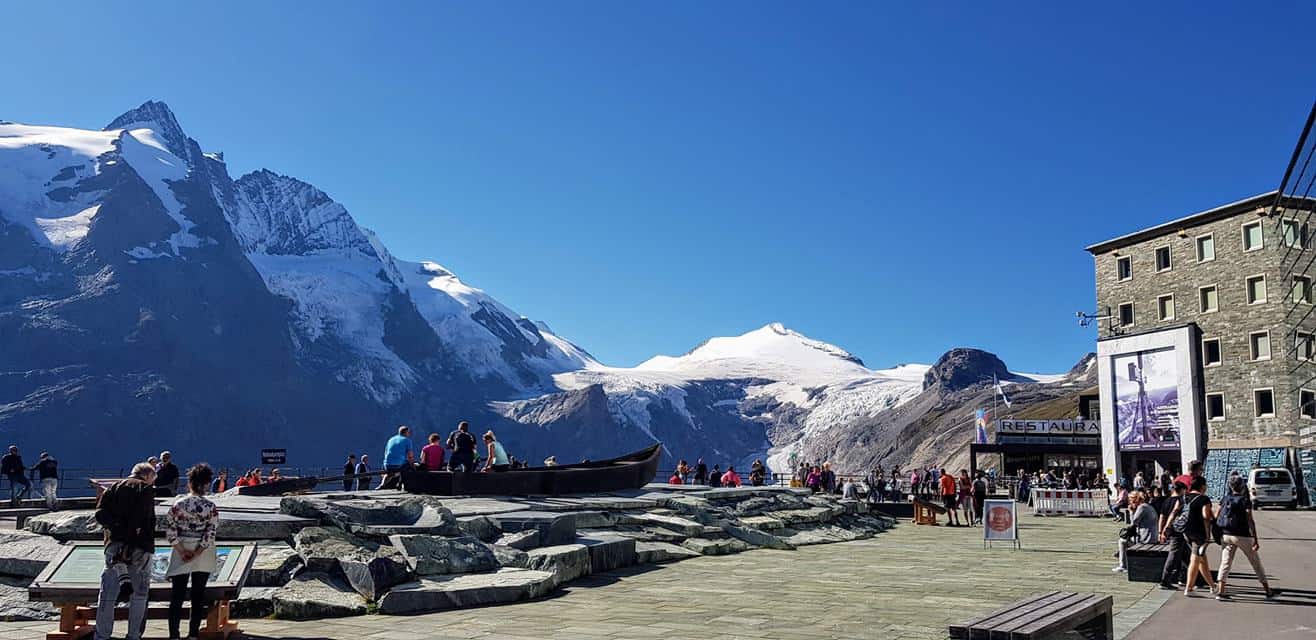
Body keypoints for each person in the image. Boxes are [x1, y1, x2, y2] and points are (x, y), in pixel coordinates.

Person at [93, 463, 157, 640]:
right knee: (139, 593)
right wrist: (129, 539)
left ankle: (102, 635)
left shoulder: (113, 487)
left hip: (112, 544)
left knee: (107, 592)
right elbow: (141, 517)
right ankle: (133, 635)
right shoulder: (145, 489)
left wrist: (115, 527)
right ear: (147, 476)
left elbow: (99, 514)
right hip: (139, 546)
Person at [165, 464, 219, 640]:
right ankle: (193, 633)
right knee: (198, 594)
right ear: (205, 484)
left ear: (190, 483)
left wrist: (181, 551)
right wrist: (197, 552)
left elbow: (170, 530)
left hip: (182, 548)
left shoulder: (178, 505)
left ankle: (174, 634)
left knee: (177, 595)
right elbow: (210, 532)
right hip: (202, 553)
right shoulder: (210, 507)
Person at [1215, 475, 1274, 600]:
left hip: (1226, 534)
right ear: (1242, 486)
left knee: (1225, 562)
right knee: (1255, 563)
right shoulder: (1244, 500)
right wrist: (1255, 539)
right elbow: (1250, 520)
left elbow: (1217, 515)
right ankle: (1268, 590)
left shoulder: (1225, 498)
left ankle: (1220, 590)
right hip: (1242, 535)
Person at [1113, 491, 1157, 572]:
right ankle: (1122, 555)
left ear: (1134, 500)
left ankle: (1123, 566)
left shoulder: (1142, 508)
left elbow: (1133, 522)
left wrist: (1131, 512)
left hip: (1145, 540)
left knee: (1122, 541)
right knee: (1127, 537)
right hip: (1152, 537)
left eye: (1130, 500)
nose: (1129, 502)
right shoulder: (1148, 506)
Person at [1157, 481, 1190, 589]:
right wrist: (1166, 528)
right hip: (1177, 530)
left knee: (1186, 554)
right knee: (1174, 554)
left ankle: (1184, 577)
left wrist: (1160, 531)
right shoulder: (1180, 501)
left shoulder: (1166, 501)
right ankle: (1164, 580)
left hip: (1171, 530)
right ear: (1181, 490)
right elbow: (1174, 513)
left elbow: (1162, 517)